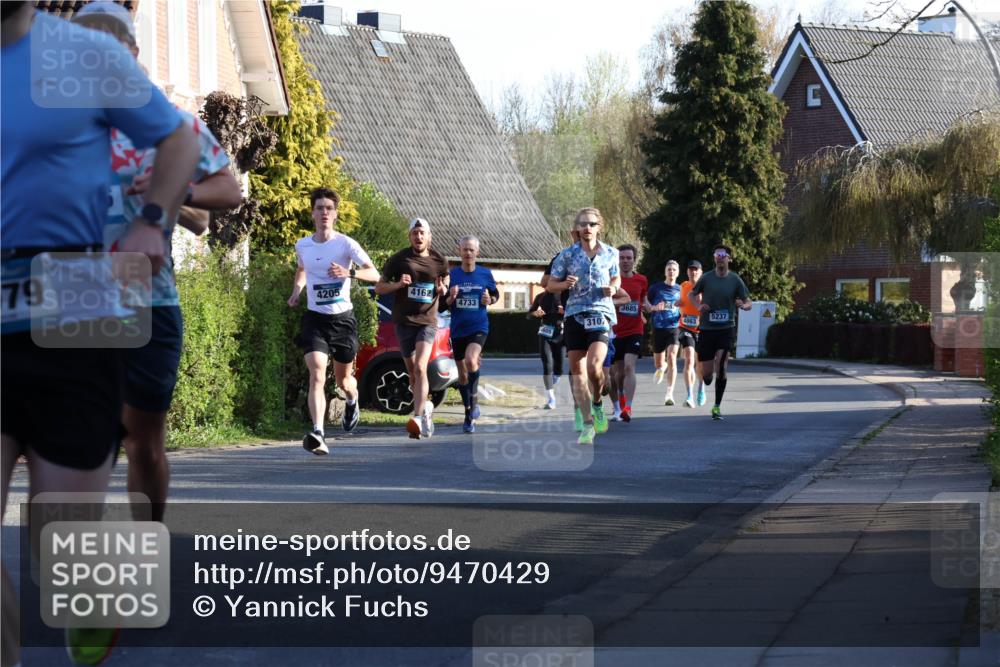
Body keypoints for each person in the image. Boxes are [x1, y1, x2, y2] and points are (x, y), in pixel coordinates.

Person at [1, 3, 200, 665]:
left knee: (63, 538)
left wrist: (153, 220)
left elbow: (180, 140)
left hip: (76, 297)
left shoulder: (86, 54)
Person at [72, 1, 243, 526]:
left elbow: (229, 188)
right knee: (83, 442)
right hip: (74, 294)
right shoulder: (58, 125)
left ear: (132, 52)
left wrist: (178, 188)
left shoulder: (168, 125)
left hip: (149, 299)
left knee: (144, 439)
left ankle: (146, 535)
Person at [289, 188, 380, 454]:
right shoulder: (302, 245)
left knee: (344, 381)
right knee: (316, 372)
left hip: (342, 321)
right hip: (315, 319)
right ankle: (318, 432)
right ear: (312, 213)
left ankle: (352, 399)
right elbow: (302, 269)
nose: (324, 212)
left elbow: (375, 274)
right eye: (320, 208)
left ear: (336, 214)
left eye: (329, 208)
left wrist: (349, 272)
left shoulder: (346, 244)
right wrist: (297, 290)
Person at [546, 208, 620, 445]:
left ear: (599, 227)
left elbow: (616, 277)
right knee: (577, 374)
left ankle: (598, 402)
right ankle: (588, 425)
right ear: (577, 229)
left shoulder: (611, 253)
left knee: (595, 367)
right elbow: (550, 285)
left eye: (591, 224)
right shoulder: (566, 256)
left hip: (600, 313)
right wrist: (564, 283)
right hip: (574, 315)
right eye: (582, 224)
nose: (587, 228)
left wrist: (614, 288)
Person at [375, 218, 449, 439]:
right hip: (403, 321)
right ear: (410, 236)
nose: (418, 237)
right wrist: (398, 285)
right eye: (415, 233)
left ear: (429, 236)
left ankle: (417, 417)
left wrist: (442, 288)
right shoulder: (399, 259)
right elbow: (379, 287)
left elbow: (445, 282)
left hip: (427, 322)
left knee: (419, 367)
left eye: (422, 233)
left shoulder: (439, 260)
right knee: (412, 374)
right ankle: (426, 408)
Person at [689, 244, 752, 421]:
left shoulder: (735, 280)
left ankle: (716, 406)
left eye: (723, 255)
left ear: (729, 259)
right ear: (714, 258)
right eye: (717, 254)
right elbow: (691, 295)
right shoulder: (707, 278)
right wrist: (699, 306)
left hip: (726, 329)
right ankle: (706, 380)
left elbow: (749, 301)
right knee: (707, 373)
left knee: (722, 366)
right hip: (707, 329)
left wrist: (744, 306)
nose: (720, 257)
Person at [445, 235, 499, 433]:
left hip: (479, 327)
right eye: (465, 249)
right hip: (458, 329)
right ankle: (468, 414)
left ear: (477, 252)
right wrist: (451, 297)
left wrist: (490, 299)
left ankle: (474, 402)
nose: (468, 253)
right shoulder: (453, 275)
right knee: (462, 375)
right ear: (459, 251)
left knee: (471, 359)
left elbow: (495, 294)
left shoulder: (485, 274)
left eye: (471, 250)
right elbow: (444, 304)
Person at [609, 244, 647, 422]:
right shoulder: (612, 281)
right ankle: (619, 403)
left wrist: (649, 308)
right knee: (617, 374)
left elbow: (643, 301)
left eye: (628, 258)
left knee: (629, 367)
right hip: (615, 332)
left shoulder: (642, 280)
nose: (625, 261)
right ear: (617, 260)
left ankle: (628, 407)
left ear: (634, 260)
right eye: (622, 258)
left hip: (635, 330)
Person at [645, 261, 683, 405]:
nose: (671, 272)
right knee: (658, 363)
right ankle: (662, 366)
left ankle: (669, 393)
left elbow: (686, 307)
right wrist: (654, 308)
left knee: (672, 356)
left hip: (674, 327)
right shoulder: (656, 288)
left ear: (678, 272)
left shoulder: (681, 290)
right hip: (658, 328)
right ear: (665, 272)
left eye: (674, 269)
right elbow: (646, 306)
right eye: (669, 269)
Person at [527, 287, 564, 410]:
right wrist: (535, 313)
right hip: (545, 332)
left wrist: (565, 311)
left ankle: (552, 380)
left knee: (559, 370)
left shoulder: (565, 295)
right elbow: (529, 315)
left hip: (561, 334)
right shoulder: (540, 297)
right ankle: (551, 398)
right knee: (547, 364)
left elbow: (576, 312)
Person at [679, 260, 706, 408]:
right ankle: (689, 395)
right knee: (688, 359)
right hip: (685, 328)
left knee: (700, 363)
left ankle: (701, 388)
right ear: (687, 272)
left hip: (702, 329)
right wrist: (679, 302)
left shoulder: (706, 288)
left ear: (700, 272)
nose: (693, 272)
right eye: (691, 270)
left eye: (696, 270)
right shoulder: (683, 286)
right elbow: (682, 301)